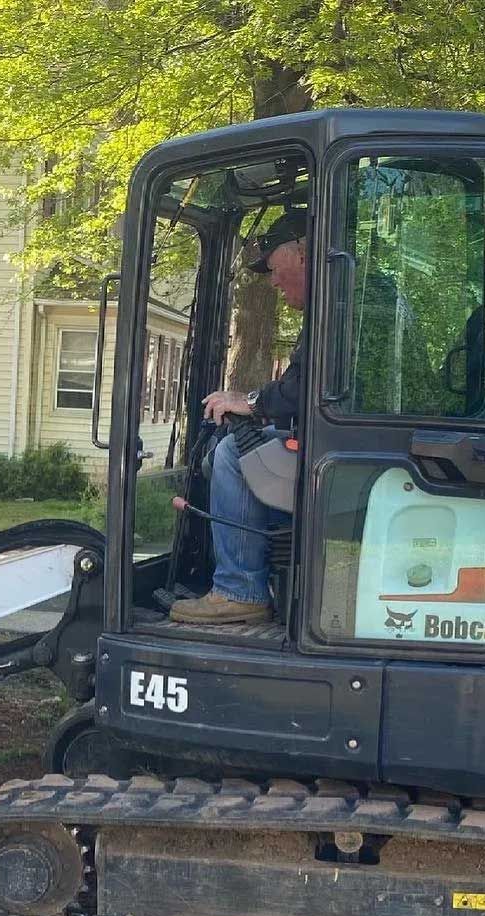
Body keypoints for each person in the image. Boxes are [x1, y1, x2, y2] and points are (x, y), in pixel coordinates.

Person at [171, 211, 306, 625]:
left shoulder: (343, 311)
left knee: (232, 453)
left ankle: (239, 589)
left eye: (273, 267)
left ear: (303, 253)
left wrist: (251, 402)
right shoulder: (345, 305)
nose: (272, 281)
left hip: (351, 461)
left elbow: (305, 389)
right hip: (351, 450)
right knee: (241, 448)